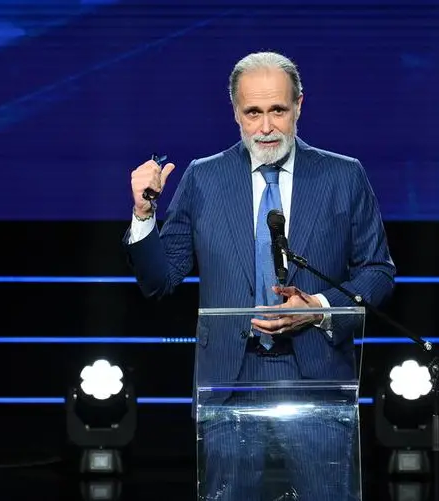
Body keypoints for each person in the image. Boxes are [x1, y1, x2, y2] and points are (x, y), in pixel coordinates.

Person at [124, 51, 395, 500]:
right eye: (253, 112)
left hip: (318, 377)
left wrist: (319, 308)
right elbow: (160, 281)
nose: (266, 126)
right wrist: (143, 212)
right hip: (229, 380)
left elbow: (378, 271)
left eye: (278, 110)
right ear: (235, 112)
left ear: (299, 106)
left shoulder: (343, 176)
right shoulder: (204, 179)